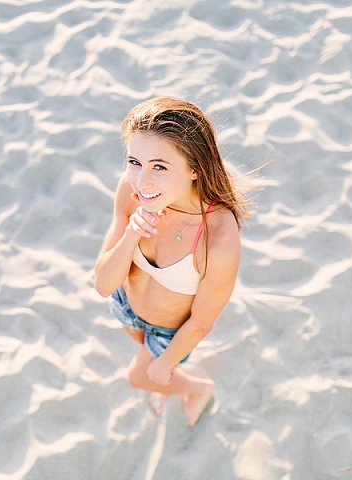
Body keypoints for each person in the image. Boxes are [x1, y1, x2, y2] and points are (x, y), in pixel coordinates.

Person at [94, 96, 247, 427]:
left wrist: (166, 364)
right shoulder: (132, 191)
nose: (142, 181)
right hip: (126, 305)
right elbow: (105, 285)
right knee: (146, 358)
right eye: (134, 161)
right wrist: (132, 232)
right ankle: (171, 378)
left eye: (159, 167)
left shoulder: (217, 238)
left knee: (141, 377)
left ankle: (198, 387)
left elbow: (201, 322)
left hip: (170, 331)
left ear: (195, 169)